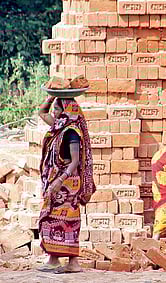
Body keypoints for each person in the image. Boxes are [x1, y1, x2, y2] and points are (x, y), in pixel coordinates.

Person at [36, 96, 95, 273]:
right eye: (54, 108)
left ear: (67, 111)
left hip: (67, 184)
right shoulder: (58, 127)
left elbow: (75, 161)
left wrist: (59, 181)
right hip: (55, 183)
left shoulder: (71, 132)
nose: (54, 112)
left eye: (57, 108)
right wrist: (52, 94)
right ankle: (53, 259)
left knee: (68, 221)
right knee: (50, 219)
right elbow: (41, 112)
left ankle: (73, 263)